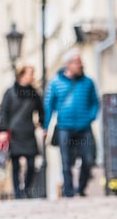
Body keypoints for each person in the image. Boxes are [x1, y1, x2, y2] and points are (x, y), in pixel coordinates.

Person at [43, 50, 100, 198]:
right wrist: (45, 127)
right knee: (66, 161)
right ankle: (68, 191)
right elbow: (48, 106)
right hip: (64, 127)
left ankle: (80, 188)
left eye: (81, 62)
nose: (81, 65)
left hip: (84, 127)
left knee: (88, 159)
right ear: (68, 64)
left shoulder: (88, 82)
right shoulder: (55, 82)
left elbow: (95, 103)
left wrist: (90, 117)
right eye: (77, 62)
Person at [0, 65, 44, 199]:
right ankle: (18, 193)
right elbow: (3, 112)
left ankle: (27, 188)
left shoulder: (35, 93)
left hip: (28, 132)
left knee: (30, 163)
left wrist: (41, 121)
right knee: (16, 164)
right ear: (22, 75)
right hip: (14, 133)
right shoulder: (10, 92)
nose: (33, 76)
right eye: (30, 74)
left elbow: (41, 110)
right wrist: (3, 130)